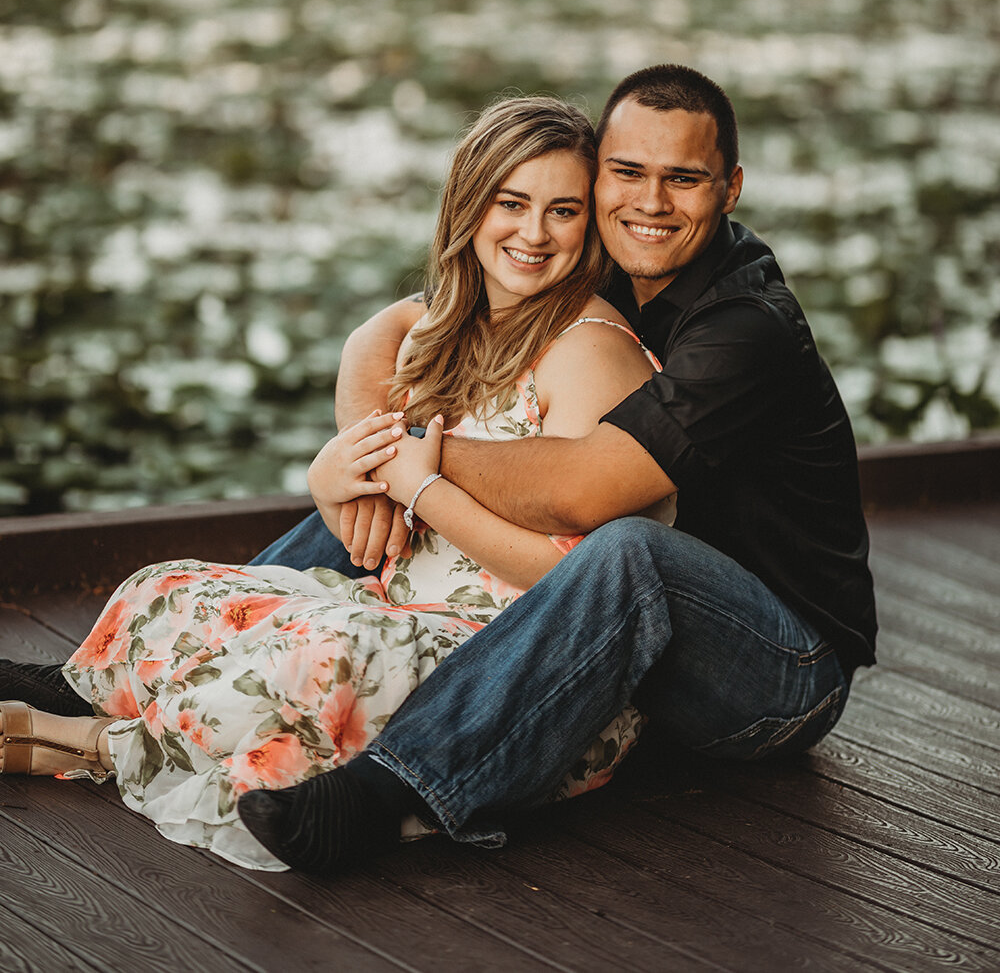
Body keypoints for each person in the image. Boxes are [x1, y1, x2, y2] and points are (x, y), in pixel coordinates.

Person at [224, 62, 877, 875]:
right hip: (635, 634)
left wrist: (407, 457)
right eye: (628, 173)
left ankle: (383, 798)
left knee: (629, 548)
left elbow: (580, 492)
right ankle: (180, 645)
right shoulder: (593, 253)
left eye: (684, 179)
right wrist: (364, 454)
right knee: (390, 484)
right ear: (598, 174)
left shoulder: (747, 329)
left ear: (731, 188)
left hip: (778, 671)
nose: (650, 202)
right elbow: (389, 327)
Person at [0, 98, 661, 870]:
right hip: (405, 610)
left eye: (563, 210)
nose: (534, 232)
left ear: (591, 225)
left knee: (324, 655)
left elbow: (581, 588)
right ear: (468, 205)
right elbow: (377, 412)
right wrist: (331, 478)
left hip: (515, 676)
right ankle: (97, 721)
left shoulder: (588, 349)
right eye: (510, 203)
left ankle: (88, 740)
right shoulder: (454, 328)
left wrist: (423, 490)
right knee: (170, 588)